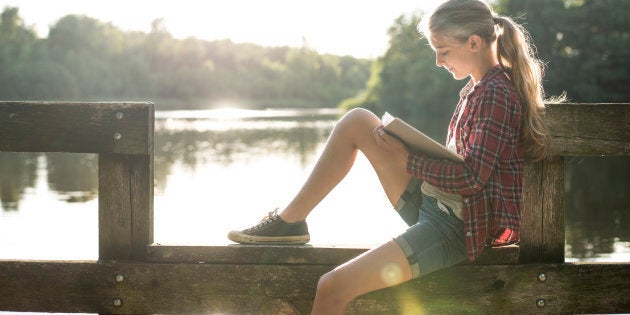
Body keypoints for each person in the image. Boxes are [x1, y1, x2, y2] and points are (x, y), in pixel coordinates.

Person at [228, 0, 553, 313]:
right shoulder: (476, 88)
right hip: (439, 204)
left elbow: (472, 179)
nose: (439, 61)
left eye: (443, 51)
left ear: (473, 43)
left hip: (457, 227)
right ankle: (290, 222)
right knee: (357, 121)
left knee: (332, 287)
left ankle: (291, 226)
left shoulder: (496, 93)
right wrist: (408, 151)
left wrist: (407, 158)